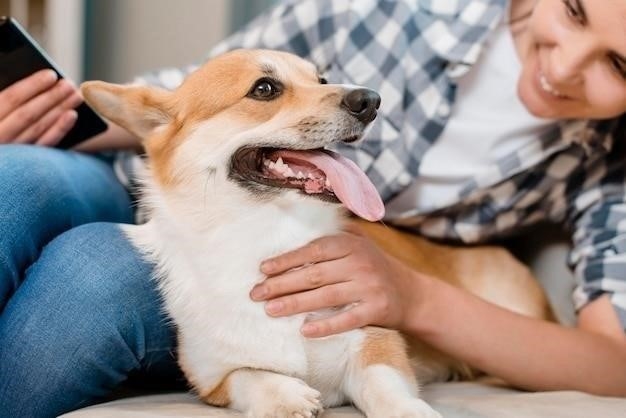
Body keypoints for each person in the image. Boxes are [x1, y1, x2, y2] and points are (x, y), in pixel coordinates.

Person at [0, 0, 625, 416]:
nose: (566, 65)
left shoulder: (607, 161)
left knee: (88, 273)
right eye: (573, 9)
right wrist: (45, 116)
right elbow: (193, 91)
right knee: (12, 179)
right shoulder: (382, 12)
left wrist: (414, 297)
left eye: (618, 64)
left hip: (272, 247)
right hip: (145, 182)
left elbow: (613, 362)